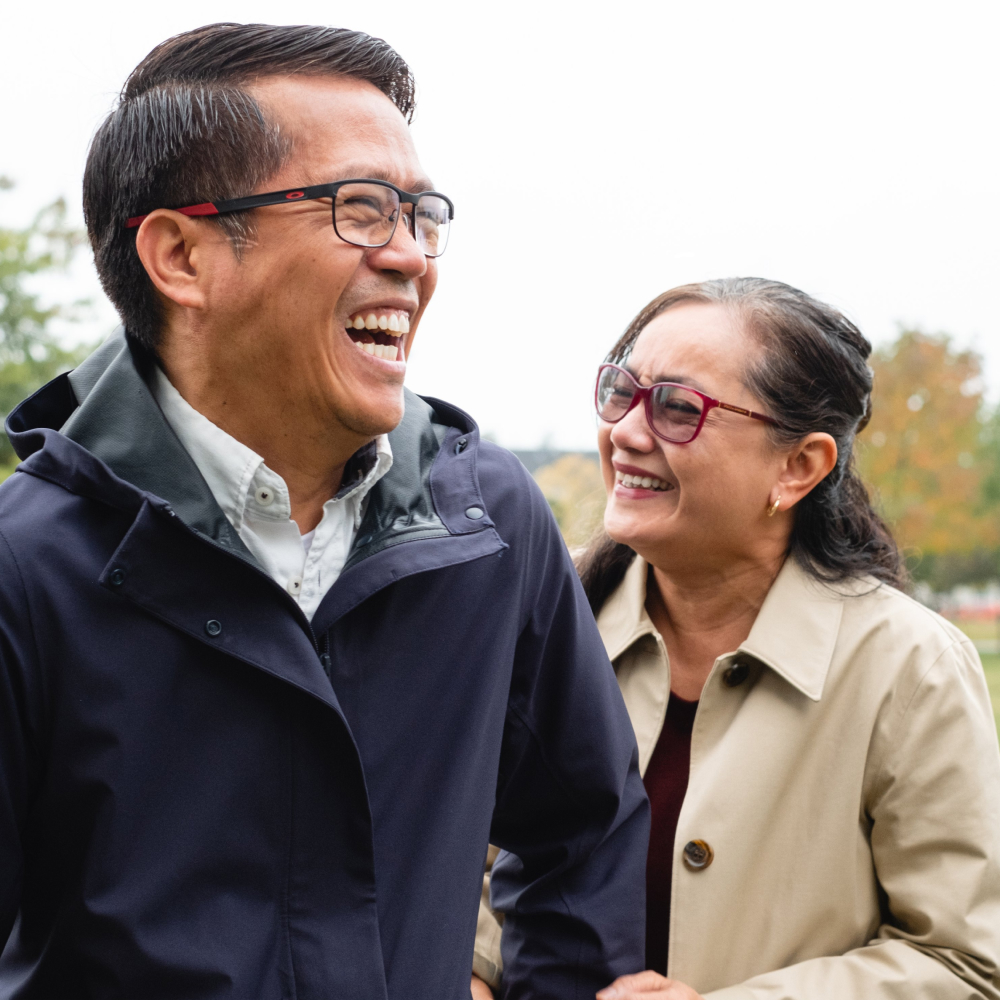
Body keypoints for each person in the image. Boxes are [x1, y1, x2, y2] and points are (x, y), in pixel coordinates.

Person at [0, 23, 650, 999]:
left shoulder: (487, 523)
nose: (410, 257)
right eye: (358, 209)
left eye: (421, 214)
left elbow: (583, 826)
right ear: (180, 255)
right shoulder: (28, 570)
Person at [471, 278, 1000, 1000]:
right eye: (622, 391)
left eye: (678, 409)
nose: (626, 431)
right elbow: (472, 876)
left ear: (799, 467)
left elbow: (964, 962)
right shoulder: (548, 627)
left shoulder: (912, 668)